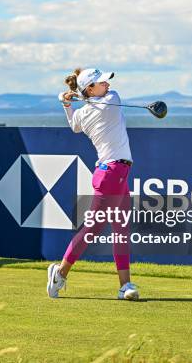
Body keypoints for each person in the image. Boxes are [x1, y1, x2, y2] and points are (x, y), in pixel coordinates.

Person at [46, 68, 139, 300]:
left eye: (106, 82)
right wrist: (73, 98)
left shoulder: (85, 113)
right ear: (89, 89)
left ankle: (125, 286)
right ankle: (60, 272)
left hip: (117, 174)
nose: (107, 85)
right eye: (101, 82)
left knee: (120, 232)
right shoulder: (111, 100)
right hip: (110, 175)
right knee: (92, 230)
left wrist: (66, 103)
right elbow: (104, 99)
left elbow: (74, 125)